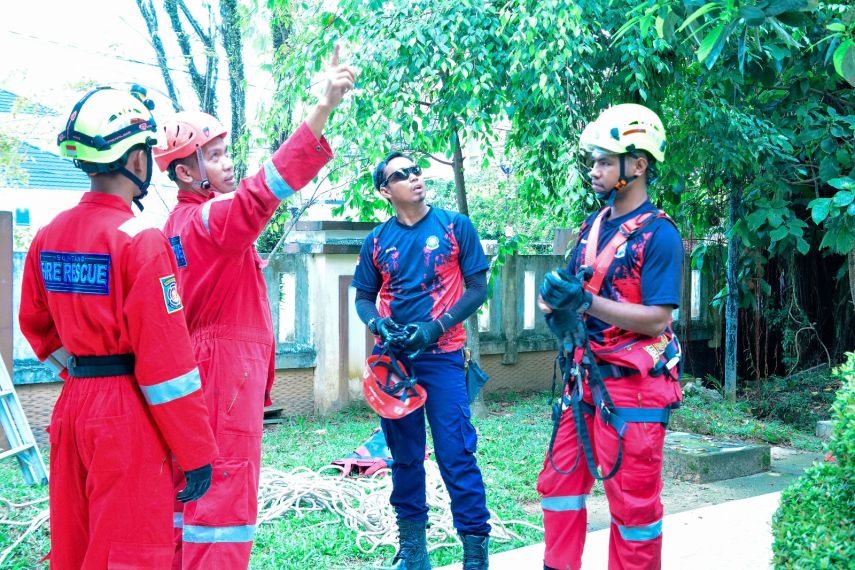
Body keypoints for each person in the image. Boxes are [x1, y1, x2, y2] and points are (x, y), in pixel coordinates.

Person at [151, 48, 355, 569]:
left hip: (201, 373)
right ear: (183, 173)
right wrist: (322, 110)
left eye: (225, 152)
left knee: (191, 497)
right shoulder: (210, 221)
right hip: (222, 379)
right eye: (214, 156)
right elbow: (263, 192)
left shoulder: (174, 228)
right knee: (224, 500)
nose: (227, 163)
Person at [19, 85, 219, 569]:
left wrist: (86, 368)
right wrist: (195, 451)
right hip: (126, 412)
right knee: (130, 549)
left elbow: (36, 325)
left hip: (73, 407)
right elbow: (167, 364)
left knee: (75, 543)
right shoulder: (141, 241)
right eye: (147, 151)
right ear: (133, 160)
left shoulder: (50, 234)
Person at [537, 103, 684, 570]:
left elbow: (658, 318)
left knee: (634, 510)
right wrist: (557, 303)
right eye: (594, 160)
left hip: (633, 390)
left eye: (605, 161)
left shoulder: (660, 236)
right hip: (583, 382)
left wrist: (585, 303)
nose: (594, 170)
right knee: (558, 490)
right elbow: (576, 290)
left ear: (638, 165)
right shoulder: (592, 225)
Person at [352, 152, 492, 570]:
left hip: (445, 357)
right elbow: (362, 297)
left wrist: (436, 327)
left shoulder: (454, 226)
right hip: (394, 365)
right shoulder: (377, 240)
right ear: (385, 190)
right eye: (402, 174)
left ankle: (474, 554)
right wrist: (378, 325)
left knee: (456, 454)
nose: (415, 177)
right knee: (405, 456)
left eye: (416, 170)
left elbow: (477, 287)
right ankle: (413, 553)